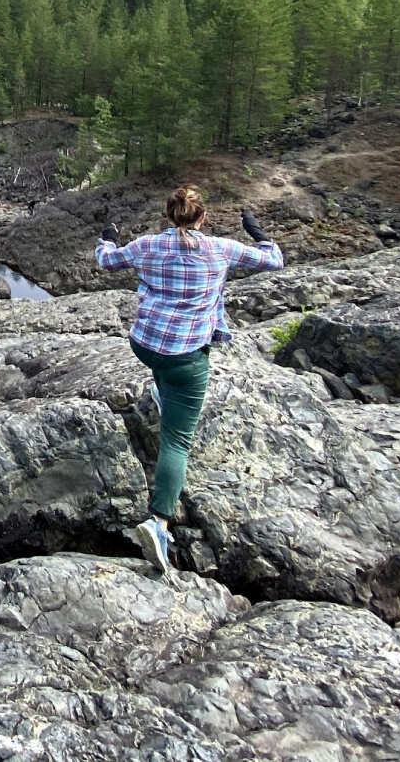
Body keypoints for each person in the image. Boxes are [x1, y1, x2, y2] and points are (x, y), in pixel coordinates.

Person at [94, 186, 283, 576]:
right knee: (176, 442)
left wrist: (107, 238)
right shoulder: (221, 249)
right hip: (185, 356)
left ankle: (165, 398)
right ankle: (158, 522)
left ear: (169, 216)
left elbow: (106, 262)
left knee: (165, 368)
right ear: (203, 218)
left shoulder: (147, 245)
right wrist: (258, 232)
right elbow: (274, 260)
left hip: (145, 344)